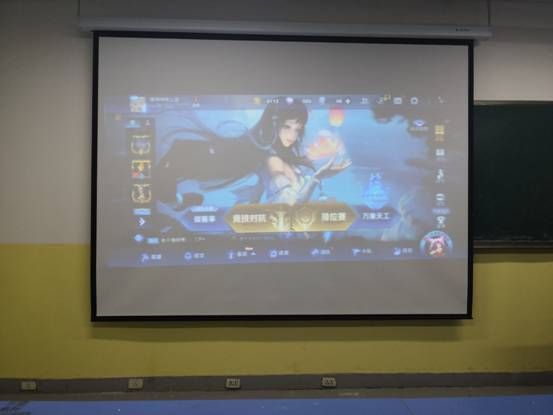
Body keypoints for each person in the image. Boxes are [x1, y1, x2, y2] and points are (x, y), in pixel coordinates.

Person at [155, 97, 350, 210]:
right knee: (166, 179)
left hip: (196, 162)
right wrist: (316, 178)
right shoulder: (270, 154)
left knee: (168, 179)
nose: (292, 136)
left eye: (297, 129)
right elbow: (288, 201)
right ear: (274, 123)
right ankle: (176, 202)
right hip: (192, 162)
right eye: (287, 127)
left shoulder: (270, 149)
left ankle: (176, 201)